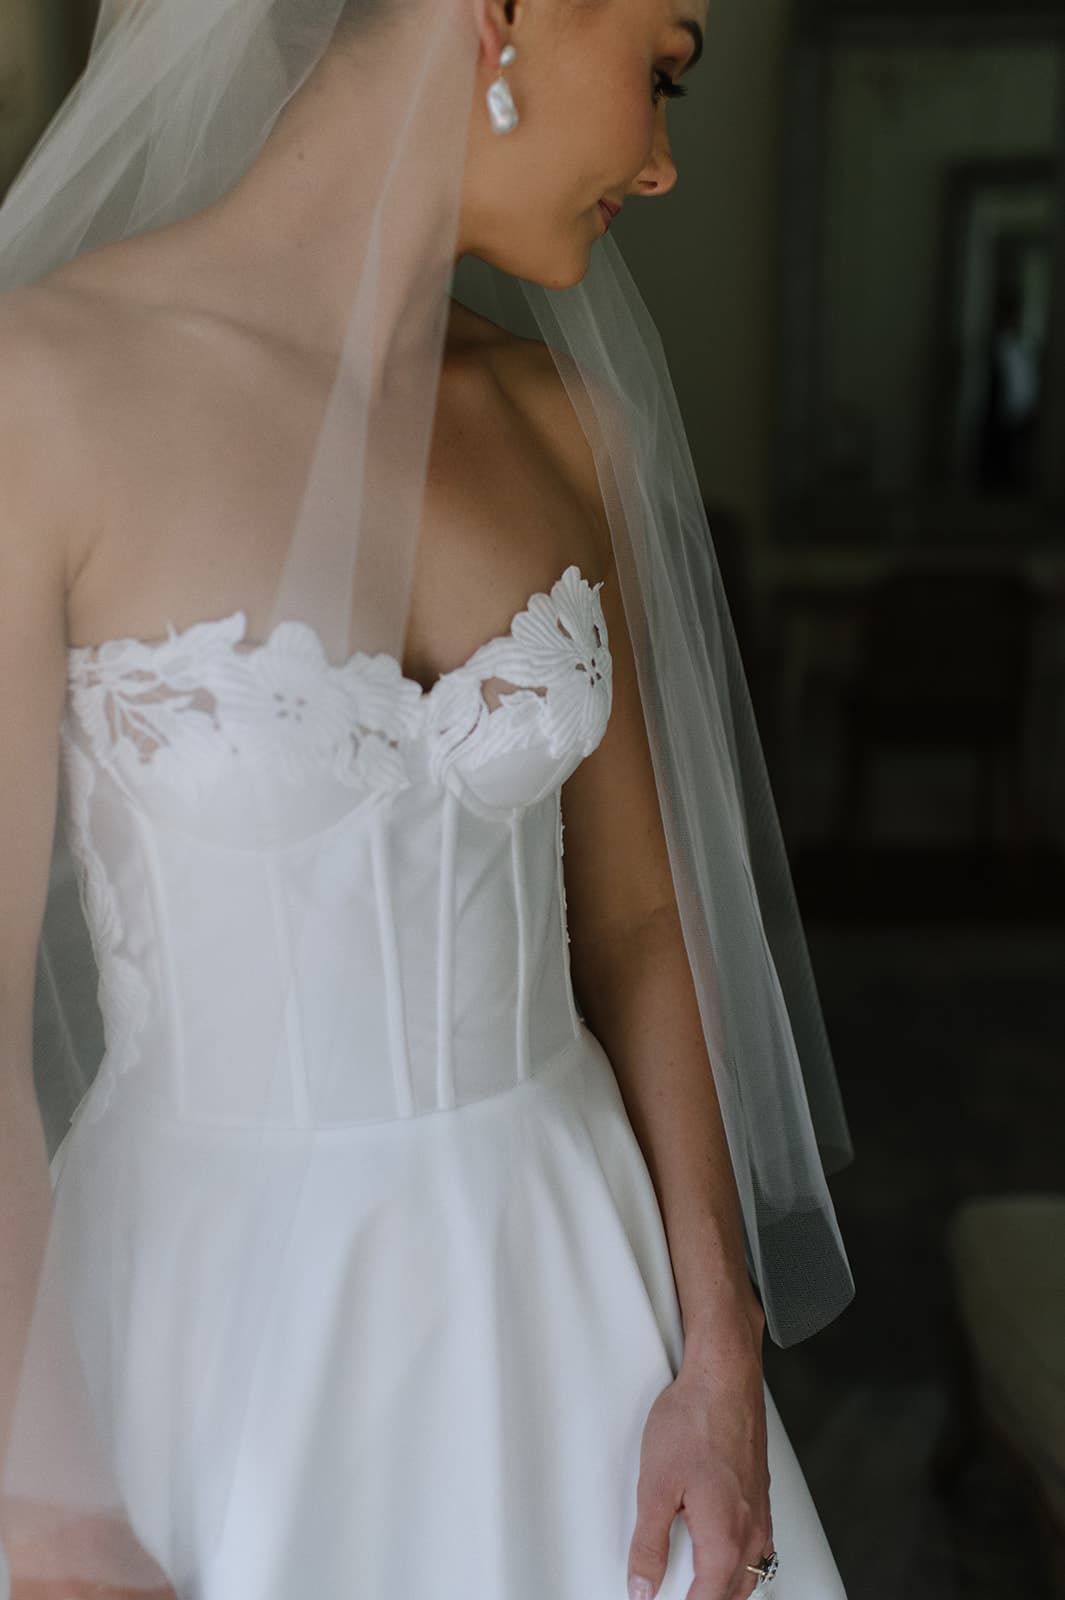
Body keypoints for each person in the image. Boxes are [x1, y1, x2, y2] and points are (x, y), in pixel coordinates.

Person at [0, 2, 853, 1596]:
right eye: (664, 70)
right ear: (500, 11)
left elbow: (638, 919)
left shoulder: (563, 423)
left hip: (570, 1288)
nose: (662, 164)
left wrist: (719, 1351)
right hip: (205, 1325)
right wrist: (42, 1507)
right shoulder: (41, 391)